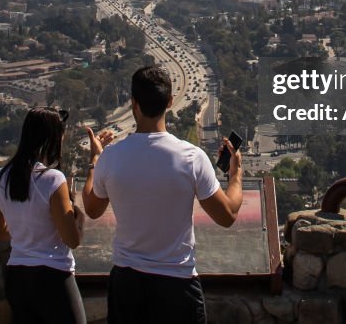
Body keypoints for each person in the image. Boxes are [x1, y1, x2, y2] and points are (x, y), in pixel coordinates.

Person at [81, 66, 243, 324]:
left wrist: (94, 160)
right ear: (169, 102)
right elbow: (228, 215)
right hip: (176, 284)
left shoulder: (111, 158)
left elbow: (92, 208)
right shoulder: (192, 158)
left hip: (127, 283)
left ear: (133, 104)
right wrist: (235, 175)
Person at [0, 107, 87, 324]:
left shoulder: (0, 178)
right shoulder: (52, 179)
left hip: (17, 278)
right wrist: (79, 218)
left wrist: (25, 231)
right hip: (53, 277)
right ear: (53, 138)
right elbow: (72, 239)